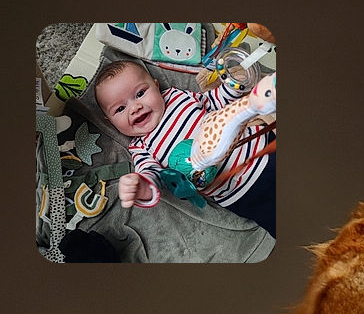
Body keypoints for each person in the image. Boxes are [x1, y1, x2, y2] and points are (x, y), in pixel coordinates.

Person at [94, 59, 276, 237]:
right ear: (109, 122)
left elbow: (214, 101)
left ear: (157, 86)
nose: (135, 108)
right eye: (120, 109)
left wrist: (232, 86)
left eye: (140, 93)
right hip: (241, 192)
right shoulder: (141, 147)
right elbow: (153, 174)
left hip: (263, 147)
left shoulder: (176, 97)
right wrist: (142, 186)